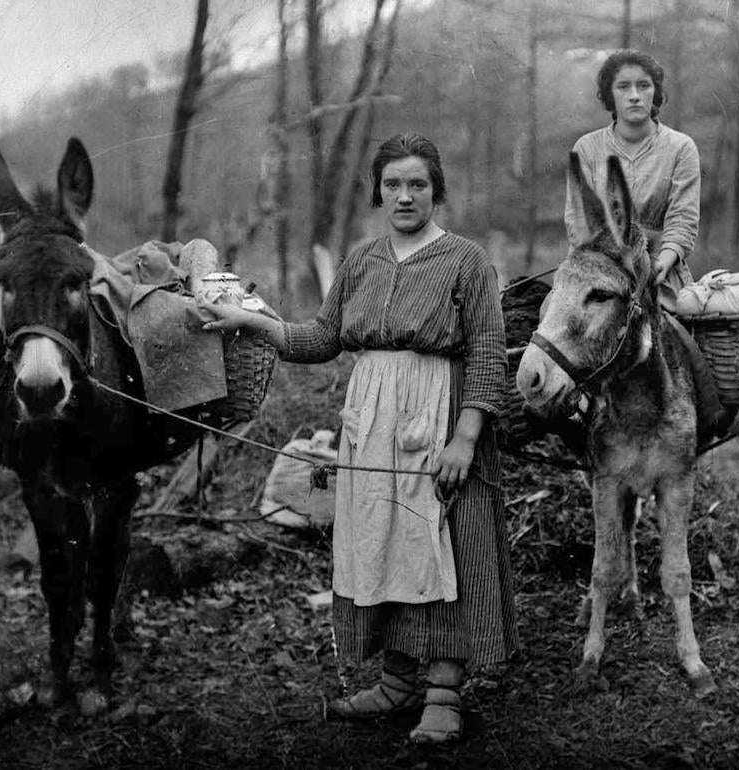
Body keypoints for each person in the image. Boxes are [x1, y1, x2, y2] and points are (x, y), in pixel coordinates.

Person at [200, 133, 518, 745]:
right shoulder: (361, 261)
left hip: (439, 419)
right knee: (382, 542)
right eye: (393, 184)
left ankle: (444, 692)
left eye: (418, 184)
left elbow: (485, 357)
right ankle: (398, 681)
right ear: (377, 190)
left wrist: (466, 438)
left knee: (443, 547)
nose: (405, 196)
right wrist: (252, 321)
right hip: (370, 423)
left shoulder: (467, 262)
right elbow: (321, 339)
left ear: (436, 191)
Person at [564, 49, 700, 309]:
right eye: (623, 87)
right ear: (609, 95)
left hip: (660, 274)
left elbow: (683, 220)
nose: (635, 96)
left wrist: (662, 260)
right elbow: (577, 221)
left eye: (644, 86)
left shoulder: (681, 148)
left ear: (655, 93)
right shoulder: (587, 149)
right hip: (597, 271)